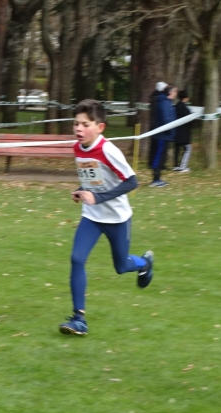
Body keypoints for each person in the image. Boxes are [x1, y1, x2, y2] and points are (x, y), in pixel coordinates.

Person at [58, 99, 154, 336]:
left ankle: (144, 263)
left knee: (121, 267)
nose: (78, 129)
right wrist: (82, 190)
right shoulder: (78, 148)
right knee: (77, 259)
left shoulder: (109, 150)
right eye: (76, 123)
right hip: (92, 216)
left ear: (99, 127)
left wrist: (98, 198)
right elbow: (94, 178)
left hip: (117, 218)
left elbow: (132, 182)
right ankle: (78, 318)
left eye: (85, 124)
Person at [148, 84, 177, 187]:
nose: (176, 94)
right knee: (158, 157)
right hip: (162, 136)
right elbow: (167, 119)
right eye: (174, 91)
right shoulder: (164, 103)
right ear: (170, 92)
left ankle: (158, 178)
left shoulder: (166, 102)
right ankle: (155, 180)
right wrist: (170, 130)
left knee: (161, 158)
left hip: (164, 135)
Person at [173, 90, 193, 172]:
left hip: (175, 131)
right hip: (184, 132)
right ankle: (183, 166)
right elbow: (190, 121)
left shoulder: (175, 107)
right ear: (185, 98)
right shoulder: (186, 110)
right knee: (188, 149)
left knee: (177, 148)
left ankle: (176, 165)